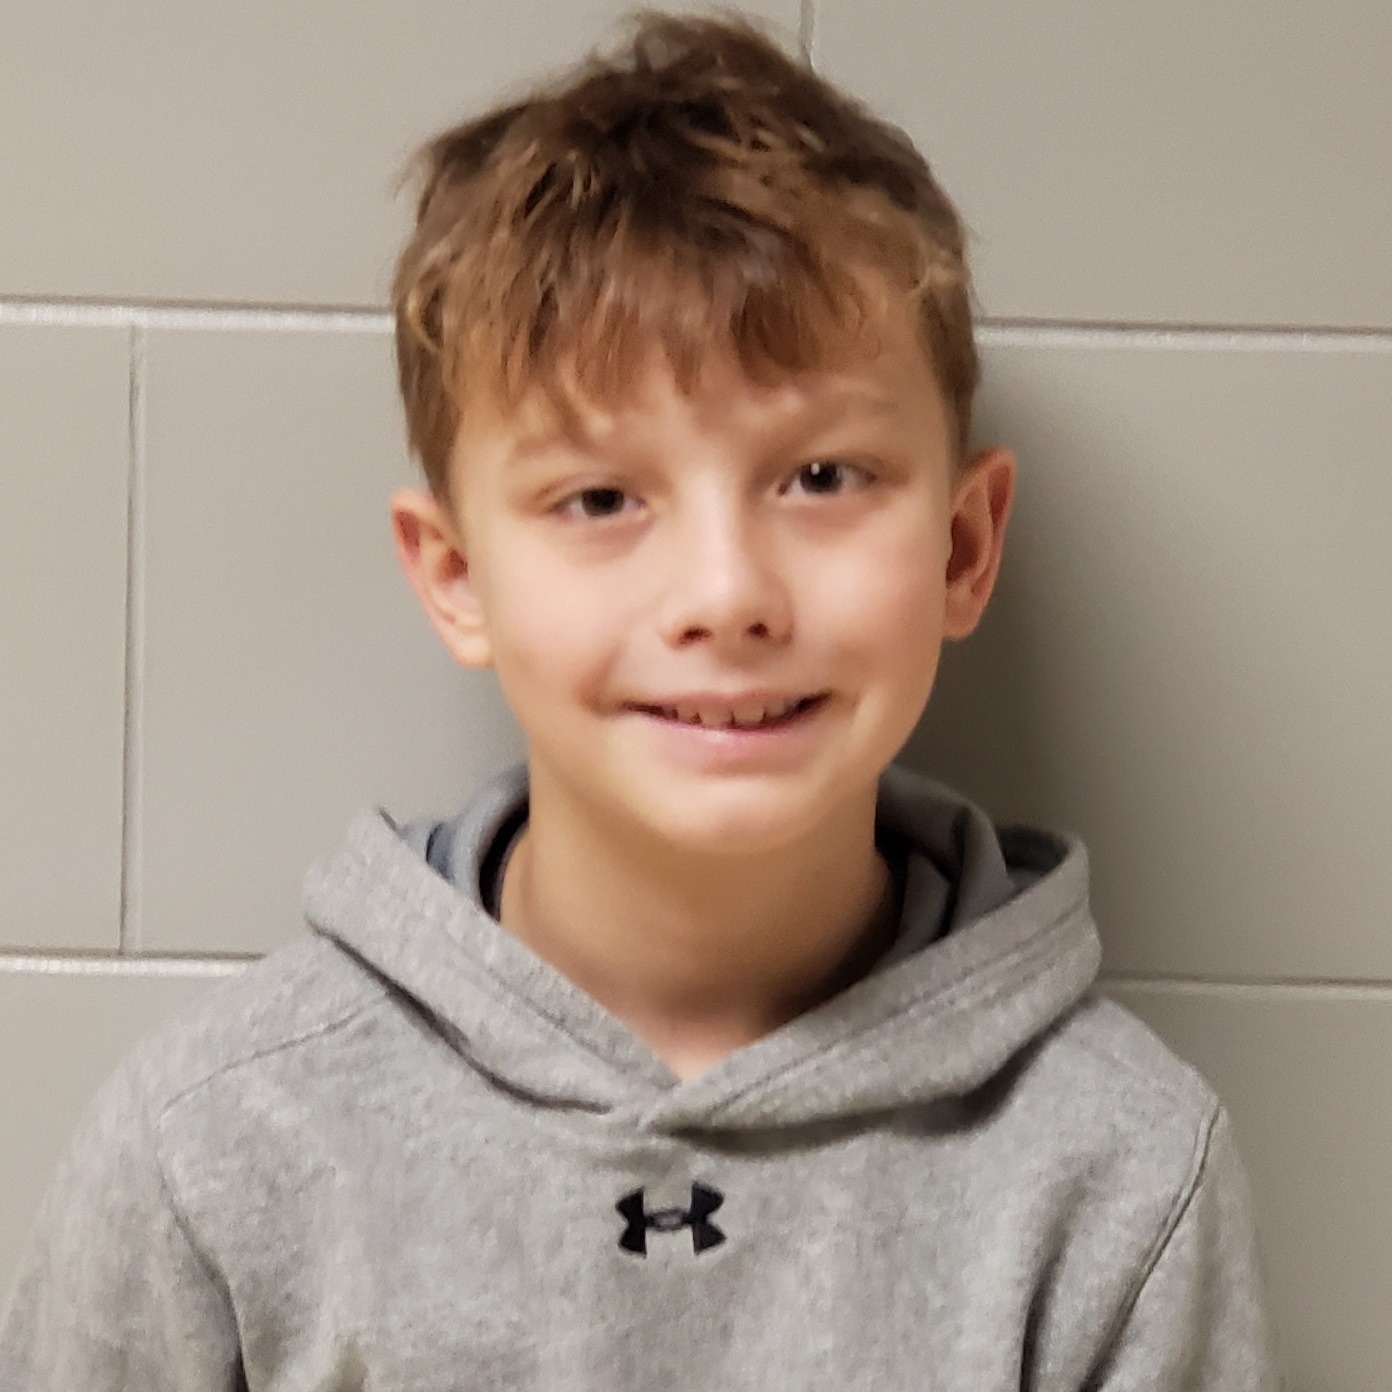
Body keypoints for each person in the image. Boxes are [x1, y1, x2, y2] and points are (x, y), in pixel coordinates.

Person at [0, 9, 1282, 1388]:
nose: (726, 593)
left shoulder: (1122, 1173)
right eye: (602, 498)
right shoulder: (214, 1149)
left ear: (965, 547)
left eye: (823, 478)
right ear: (456, 576)